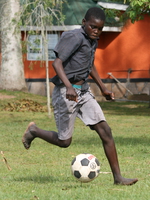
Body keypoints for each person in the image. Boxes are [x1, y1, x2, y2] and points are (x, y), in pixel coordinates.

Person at [22, 7, 138, 185]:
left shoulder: (93, 40)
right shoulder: (73, 37)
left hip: (84, 92)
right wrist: (68, 87)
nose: (96, 31)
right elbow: (57, 63)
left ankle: (118, 178)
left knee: (105, 131)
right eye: (93, 27)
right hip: (65, 92)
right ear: (84, 22)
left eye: (100, 28)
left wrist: (103, 88)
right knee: (64, 141)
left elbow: (89, 65)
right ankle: (34, 131)